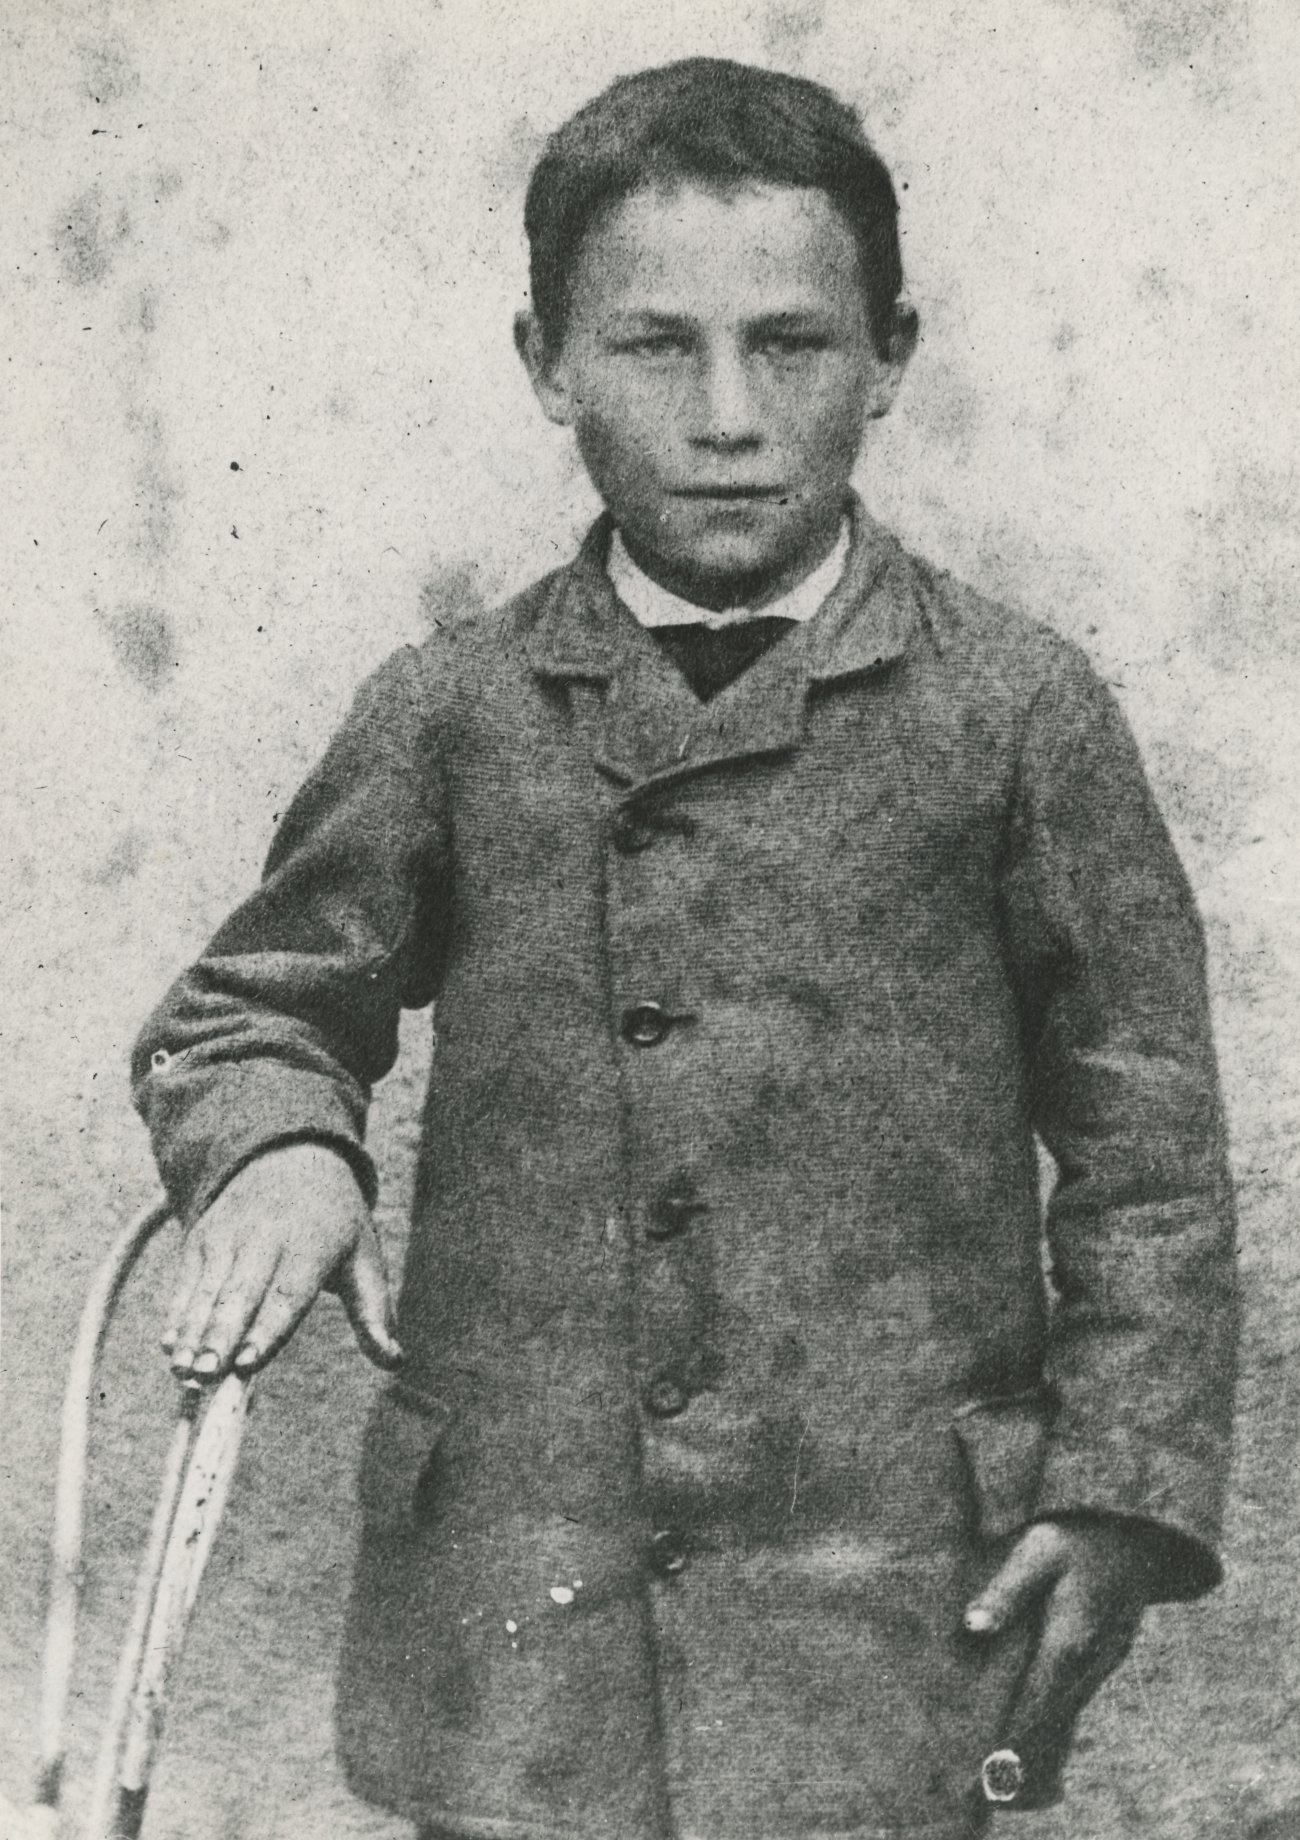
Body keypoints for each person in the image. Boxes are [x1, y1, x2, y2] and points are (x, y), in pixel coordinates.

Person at [132, 57, 1239, 1840]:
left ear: (890, 356)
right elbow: (255, 1009)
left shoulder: (1020, 714)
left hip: (887, 1606)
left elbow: (1148, 1155)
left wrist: (1118, 1491)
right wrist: (279, 1148)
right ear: (546, 363)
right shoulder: (455, 710)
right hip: (526, 1609)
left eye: (791, 346)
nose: (729, 416)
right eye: (655, 348)